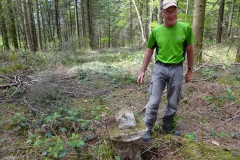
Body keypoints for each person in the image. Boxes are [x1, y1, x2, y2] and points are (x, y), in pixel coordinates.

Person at [137, 0, 194, 142]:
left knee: (173, 100)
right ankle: (147, 126)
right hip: (160, 68)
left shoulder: (185, 28)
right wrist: (142, 71)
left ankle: (167, 124)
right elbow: (149, 51)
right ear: (162, 13)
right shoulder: (156, 31)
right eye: (168, 12)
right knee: (154, 99)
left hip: (177, 68)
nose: (171, 14)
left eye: (174, 11)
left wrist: (190, 70)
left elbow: (190, 49)